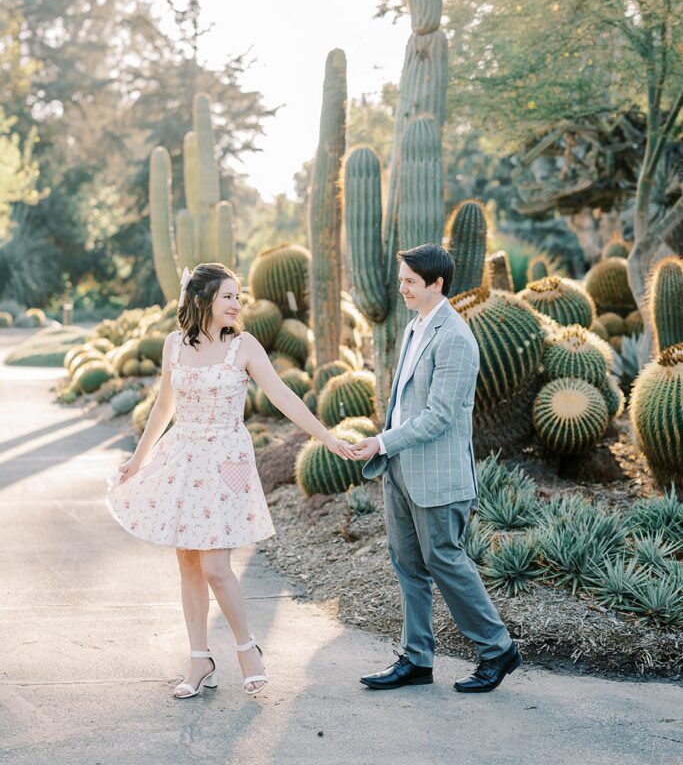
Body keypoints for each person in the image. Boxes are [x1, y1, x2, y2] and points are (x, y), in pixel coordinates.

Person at [106, 262, 354, 700]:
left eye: (238, 297)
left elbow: (282, 395)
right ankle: (199, 657)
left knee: (217, 567)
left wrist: (327, 437)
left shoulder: (244, 346)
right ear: (202, 300)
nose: (238, 304)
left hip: (225, 461)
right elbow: (164, 407)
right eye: (229, 296)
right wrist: (138, 459)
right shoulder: (173, 345)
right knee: (187, 562)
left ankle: (246, 649)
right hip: (183, 458)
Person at [351, 243, 521, 694]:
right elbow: (403, 402)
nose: (401, 288)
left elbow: (439, 415)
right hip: (401, 469)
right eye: (401, 279)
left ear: (436, 284)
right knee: (408, 565)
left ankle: (497, 649)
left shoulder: (456, 338)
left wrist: (381, 441)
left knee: (444, 560)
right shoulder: (414, 328)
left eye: (409, 281)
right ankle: (417, 658)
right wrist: (387, 448)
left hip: (439, 477)